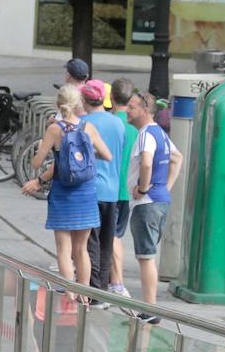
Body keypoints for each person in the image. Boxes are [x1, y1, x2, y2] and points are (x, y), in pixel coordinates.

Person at [21, 84, 113, 292]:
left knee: (64, 249)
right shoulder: (88, 128)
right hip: (86, 193)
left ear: (58, 104)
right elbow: (107, 156)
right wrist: (83, 157)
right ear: (78, 102)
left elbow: (36, 163)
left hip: (63, 194)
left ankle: (69, 294)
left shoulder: (54, 130)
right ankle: (84, 296)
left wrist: (40, 149)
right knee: (82, 249)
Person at [126, 90, 183, 322]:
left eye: (132, 107)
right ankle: (150, 308)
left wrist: (143, 187)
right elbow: (177, 158)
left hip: (147, 203)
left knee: (146, 256)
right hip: (160, 201)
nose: (127, 111)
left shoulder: (145, 135)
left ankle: (150, 310)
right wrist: (166, 187)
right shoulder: (160, 132)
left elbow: (147, 163)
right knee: (147, 255)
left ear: (145, 110)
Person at [80, 79, 126, 294]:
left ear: (84, 99)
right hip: (112, 190)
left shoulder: (84, 123)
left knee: (90, 242)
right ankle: (104, 290)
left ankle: (94, 290)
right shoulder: (118, 123)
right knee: (106, 242)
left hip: (90, 189)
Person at [107, 77, 140, 296]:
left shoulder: (108, 123)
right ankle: (113, 279)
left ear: (111, 98)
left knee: (111, 237)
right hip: (126, 191)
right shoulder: (135, 130)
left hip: (108, 189)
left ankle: (117, 282)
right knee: (117, 233)